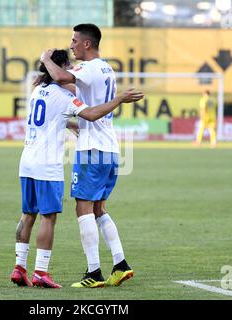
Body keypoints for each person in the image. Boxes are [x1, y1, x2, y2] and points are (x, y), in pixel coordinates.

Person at [10, 49, 143, 289]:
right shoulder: (66, 96)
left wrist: (69, 123)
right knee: (49, 217)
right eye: (68, 65)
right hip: (49, 164)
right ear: (58, 67)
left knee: (28, 215)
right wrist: (119, 100)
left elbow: (50, 116)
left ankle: (19, 268)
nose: (72, 68)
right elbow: (91, 113)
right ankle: (41, 271)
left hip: (26, 161)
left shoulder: (37, 90)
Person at [40, 23, 135, 288]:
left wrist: (46, 59)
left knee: (82, 209)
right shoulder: (106, 68)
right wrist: (68, 123)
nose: (71, 45)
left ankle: (93, 272)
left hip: (91, 149)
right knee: (99, 209)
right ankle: (120, 264)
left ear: (87, 44)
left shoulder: (88, 68)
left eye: (74, 41)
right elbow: (80, 94)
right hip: (110, 148)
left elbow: (60, 78)